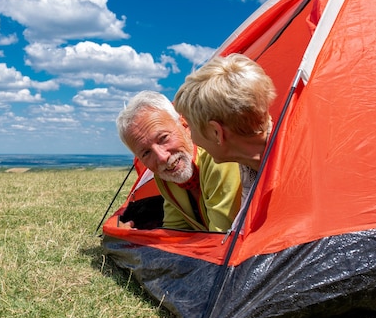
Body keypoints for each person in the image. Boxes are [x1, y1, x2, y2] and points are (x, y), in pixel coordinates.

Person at [116, 90, 242, 232]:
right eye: (146, 153)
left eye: (163, 138)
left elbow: (220, 239)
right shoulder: (166, 177)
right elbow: (175, 231)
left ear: (184, 124)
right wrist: (135, 239)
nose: (162, 157)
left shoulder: (218, 160)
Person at [173, 53, 277, 202]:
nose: (191, 137)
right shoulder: (252, 166)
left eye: (190, 126)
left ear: (216, 132)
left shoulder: (290, 178)